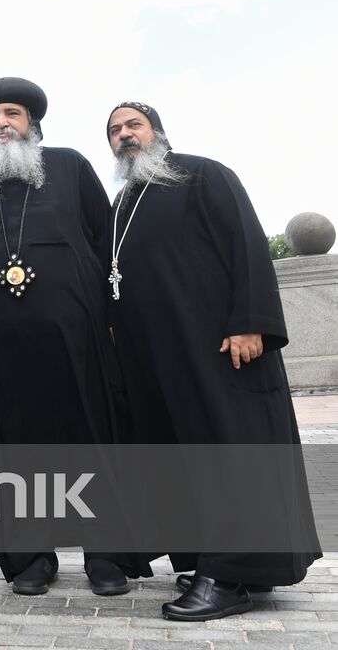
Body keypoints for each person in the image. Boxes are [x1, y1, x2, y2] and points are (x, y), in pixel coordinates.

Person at [104, 102, 320, 621]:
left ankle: (230, 574)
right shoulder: (123, 201)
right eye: (114, 131)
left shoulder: (201, 174)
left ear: (158, 132)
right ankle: (208, 558)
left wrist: (251, 321)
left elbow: (246, 244)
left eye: (134, 125)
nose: (124, 136)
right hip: (157, 359)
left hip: (217, 350)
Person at [0, 78, 136, 597]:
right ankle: (30, 557)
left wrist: (114, 315)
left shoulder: (71, 166)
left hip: (76, 338)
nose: (1, 123)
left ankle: (106, 555)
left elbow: (106, 241)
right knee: (14, 454)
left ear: (33, 123)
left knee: (90, 442)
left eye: (12, 113)